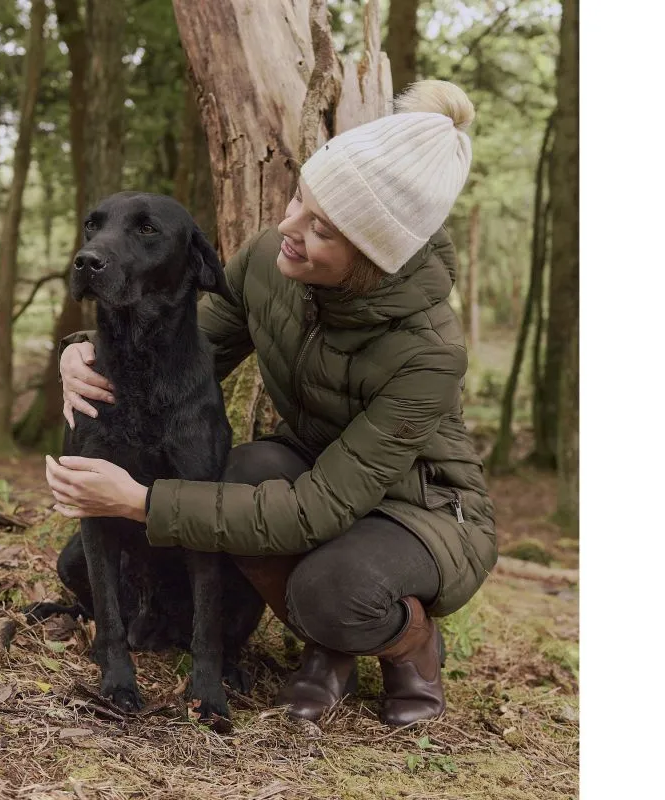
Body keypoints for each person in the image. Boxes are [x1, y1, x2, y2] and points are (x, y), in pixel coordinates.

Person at [45, 80, 497, 728]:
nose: (287, 227)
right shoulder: (271, 261)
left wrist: (139, 502)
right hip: (317, 467)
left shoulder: (428, 352)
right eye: (298, 199)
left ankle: (405, 643)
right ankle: (333, 635)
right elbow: (185, 344)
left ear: (373, 259)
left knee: (332, 593)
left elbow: (316, 509)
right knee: (242, 470)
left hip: (422, 509)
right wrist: (81, 350)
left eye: (321, 228)